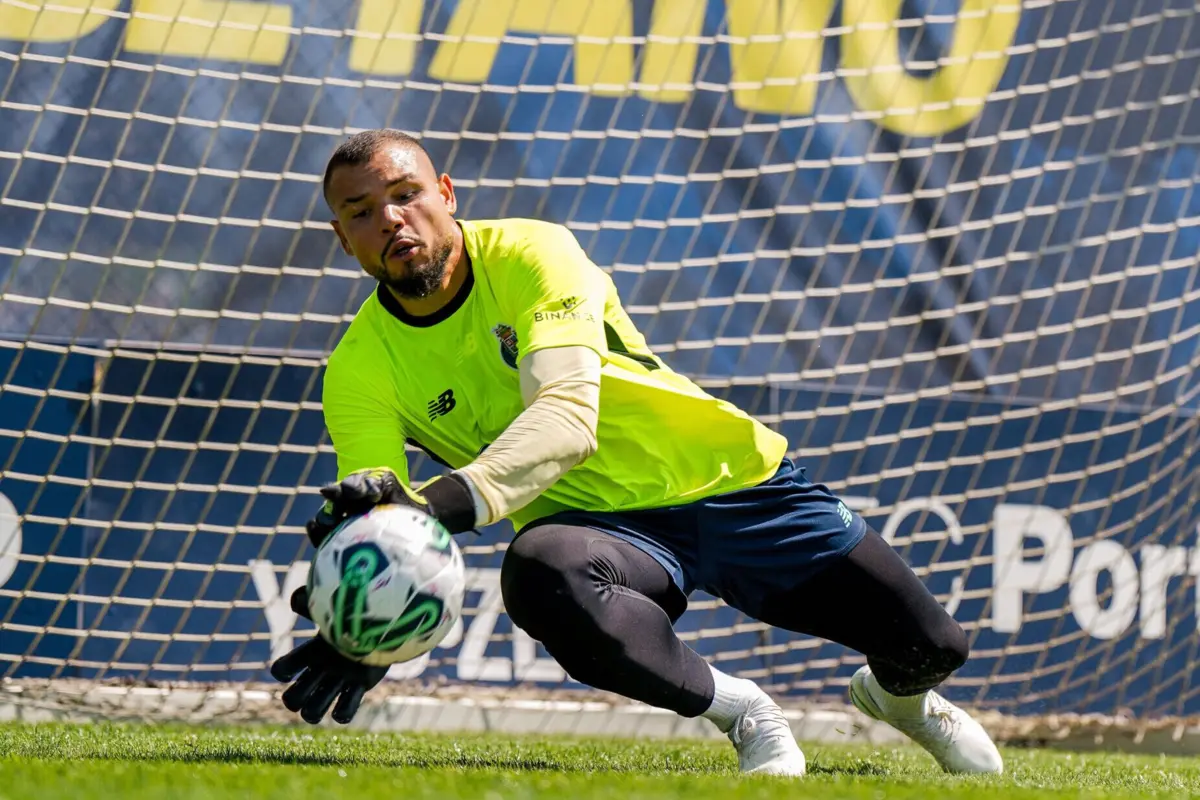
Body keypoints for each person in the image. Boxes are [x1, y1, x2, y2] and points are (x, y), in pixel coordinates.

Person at [270, 128, 1003, 777]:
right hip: (602, 532)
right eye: (362, 212)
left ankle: (899, 702)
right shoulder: (359, 369)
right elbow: (379, 515)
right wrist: (360, 620)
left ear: (448, 194)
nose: (392, 219)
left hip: (728, 480)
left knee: (934, 645)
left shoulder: (532, 252)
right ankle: (746, 713)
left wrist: (424, 508)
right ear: (343, 239)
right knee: (539, 573)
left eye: (406, 194)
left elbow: (564, 423)